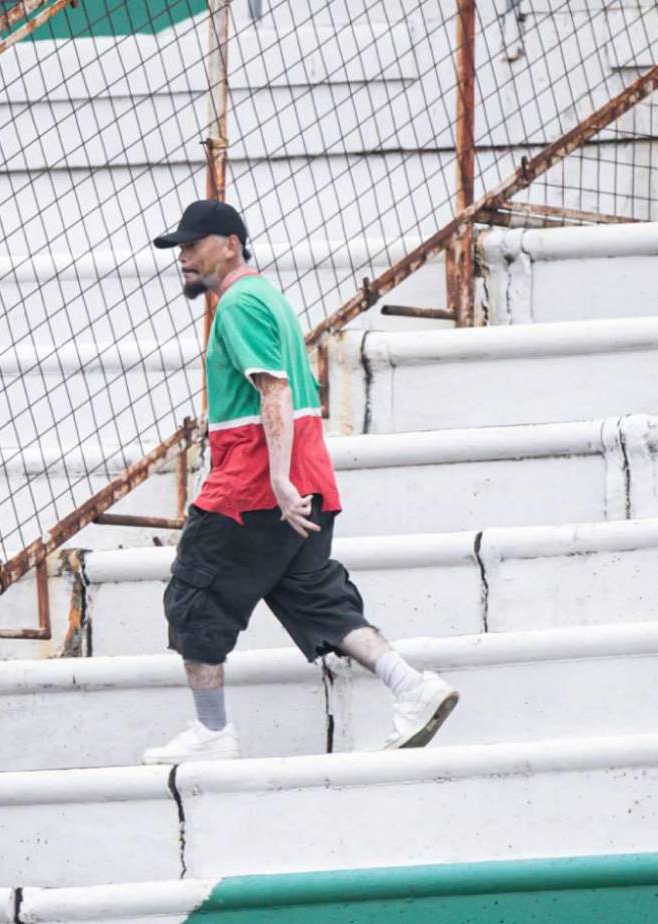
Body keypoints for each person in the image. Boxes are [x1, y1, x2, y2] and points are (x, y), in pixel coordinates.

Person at [141, 199, 459, 764]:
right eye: (180, 249)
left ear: (231, 244)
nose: (184, 258)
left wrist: (280, 480)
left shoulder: (238, 304)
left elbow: (275, 390)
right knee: (316, 598)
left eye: (193, 245)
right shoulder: (270, 300)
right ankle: (413, 687)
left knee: (194, 598)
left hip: (255, 488)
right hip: (307, 480)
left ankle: (212, 733)